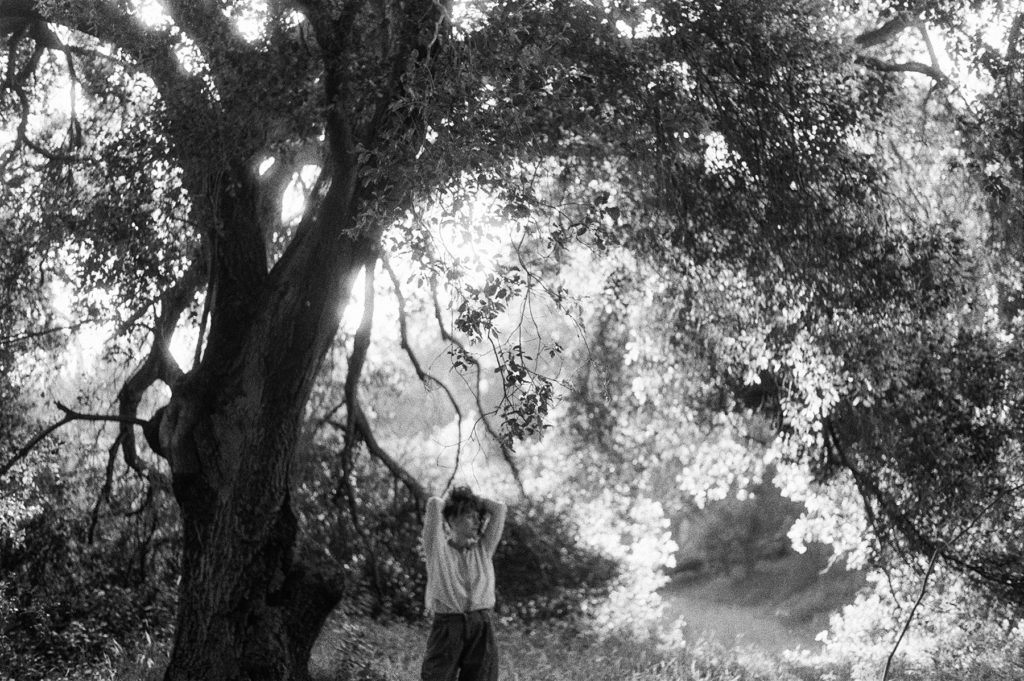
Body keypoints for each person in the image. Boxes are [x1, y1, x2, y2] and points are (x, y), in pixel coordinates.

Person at [420, 485, 507, 681]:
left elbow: (499, 509)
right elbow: (435, 504)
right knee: (436, 677)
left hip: (481, 623)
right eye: (469, 516)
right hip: (448, 624)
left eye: (478, 517)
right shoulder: (437, 550)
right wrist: (458, 501)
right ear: (452, 519)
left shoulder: (483, 549)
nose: (477, 521)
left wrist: (474, 502)